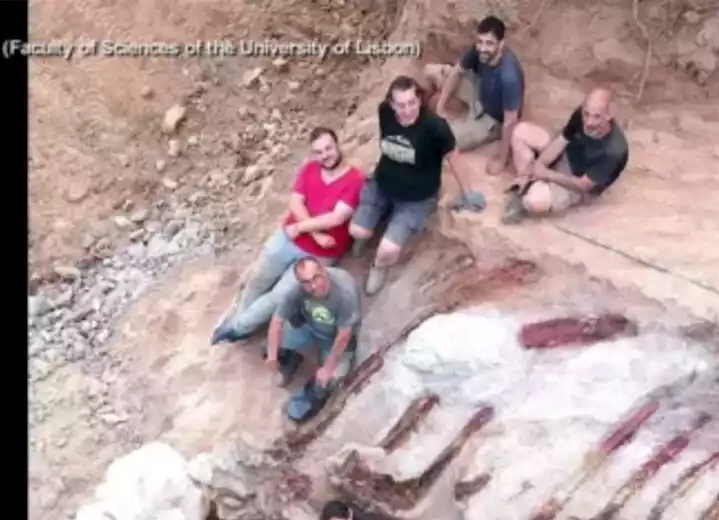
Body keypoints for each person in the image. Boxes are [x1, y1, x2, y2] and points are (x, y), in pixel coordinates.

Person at [211, 128, 365, 344]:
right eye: (319, 152)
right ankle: (244, 323)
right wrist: (314, 232)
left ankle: (237, 328)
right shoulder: (310, 169)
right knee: (258, 281)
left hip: (318, 252)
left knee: (279, 295)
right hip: (290, 237)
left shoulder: (355, 179)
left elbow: (336, 218)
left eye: (328, 148)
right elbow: (294, 202)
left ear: (338, 145)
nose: (325, 155)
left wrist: (303, 228)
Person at [349, 75, 482, 297]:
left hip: (416, 199)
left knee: (387, 250)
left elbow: (454, 157)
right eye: (401, 105)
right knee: (357, 231)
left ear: (419, 99)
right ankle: (373, 224)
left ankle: (378, 266)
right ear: (392, 104)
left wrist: (468, 192)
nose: (408, 109)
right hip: (382, 185)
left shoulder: (435, 127)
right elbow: (388, 143)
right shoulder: (385, 112)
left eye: (412, 102)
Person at [502, 87, 630, 224]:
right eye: (586, 114)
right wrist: (540, 164)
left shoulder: (614, 151)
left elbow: (583, 186)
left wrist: (547, 174)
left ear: (609, 116)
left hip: (576, 179)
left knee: (533, 201)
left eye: (597, 116)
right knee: (520, 132)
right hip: (566, 155)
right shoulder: (580, 115)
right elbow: (562, 140)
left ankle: (527, 191)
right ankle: (528, 180)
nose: (588, 122)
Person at [422, 15, 525, 176]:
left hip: (492, 120)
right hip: (480, 89)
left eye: (489, 43)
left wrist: (502, 160)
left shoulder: (509, 76)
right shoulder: (479, 51)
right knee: (430, 71)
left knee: (440, 139)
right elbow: (457, 72)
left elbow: (510, 121)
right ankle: (425, 104)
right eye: (480, 41)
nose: (483, 48)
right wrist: (441, 107)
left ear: (501, 44)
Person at [266, 257, 361, 422]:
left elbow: (343, 336)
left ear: (324, 270)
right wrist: (272, 355)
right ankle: (290, 360)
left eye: (317, 277)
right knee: (273, 344)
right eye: (306, 282)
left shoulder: (344, 292)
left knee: (329, 380)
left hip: (335, 340)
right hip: (310, 327)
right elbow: (277, 320)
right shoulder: (298, 291)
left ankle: (308, 398)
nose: (314, 285)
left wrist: (328, 368)